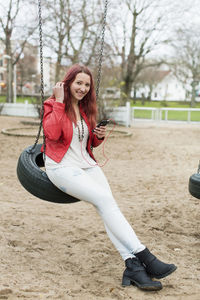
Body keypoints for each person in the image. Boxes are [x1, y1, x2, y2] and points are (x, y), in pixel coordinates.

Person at [41, 63, 177, 291]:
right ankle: (145, 256)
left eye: (86, 84)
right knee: (105, 201)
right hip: (61, 167)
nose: (82, 88)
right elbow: (52, 133)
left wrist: (98, 137)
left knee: (107, 204)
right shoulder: (53, 104)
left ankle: (132, 266)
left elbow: (85, 143)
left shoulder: (84, 110)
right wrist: (58, 101)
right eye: (78, 83)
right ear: (67, 82)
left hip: (86, 164)